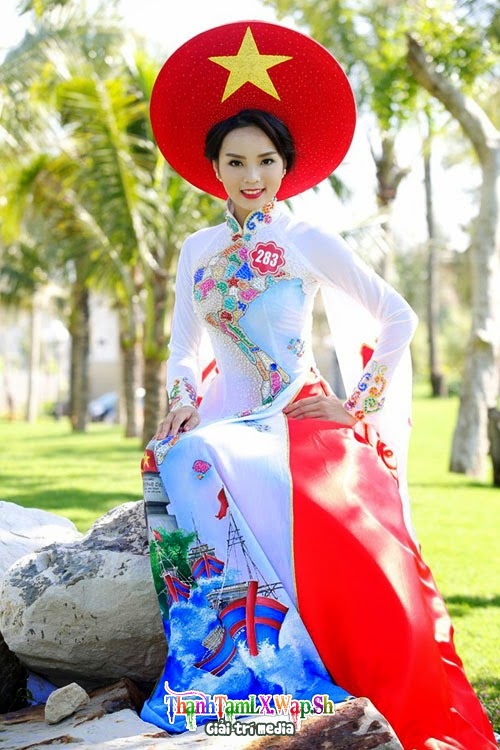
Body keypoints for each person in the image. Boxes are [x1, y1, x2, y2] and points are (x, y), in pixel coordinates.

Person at [139, 19, 497, 750]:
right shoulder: (197, 250)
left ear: (285, 165)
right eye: (236, 161)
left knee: (206, 457)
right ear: (213, 168)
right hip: (221, 416)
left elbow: (397, 316)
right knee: (175, 452)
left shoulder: (304, 241)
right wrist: (180, 400)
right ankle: (235, 672)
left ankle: (286, 670)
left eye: (265, 161)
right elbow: (183, 347)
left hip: (292, 415)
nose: (251, 176)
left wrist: (354, 403)